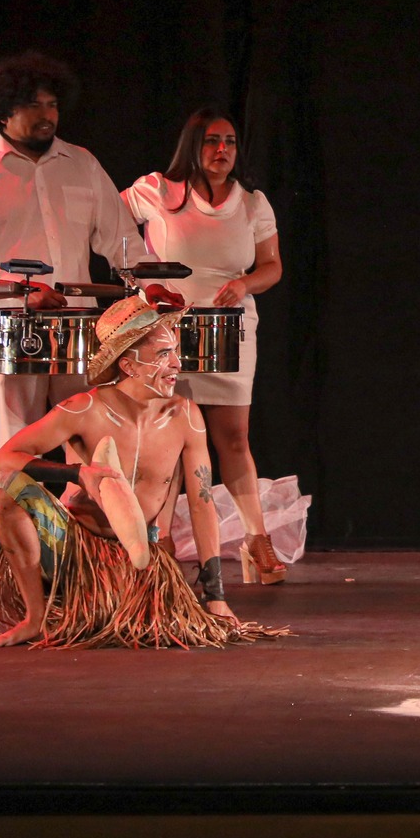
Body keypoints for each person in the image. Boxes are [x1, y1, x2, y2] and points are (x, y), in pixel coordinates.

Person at [0, 293, 287, 649]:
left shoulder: (185, 416)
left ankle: (118, 603)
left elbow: (202, 504)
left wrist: (215, 596)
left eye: (175, 352)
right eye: (163, 354)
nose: (177, 364)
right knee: (1, 486)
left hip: (141, 558)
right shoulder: (84, 409)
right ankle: (35, 618)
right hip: (75, 550)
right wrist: (78, 474)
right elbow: (3, 458)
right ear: (128, 365)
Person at [0, 52, 136, 451]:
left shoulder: (82, 164)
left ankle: (85, 498)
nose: (47, 115)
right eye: (33, 105)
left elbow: (122, 239)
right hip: (6, 326)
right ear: (2, 113)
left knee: (92, 446)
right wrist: (22, 290)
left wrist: (150, 283)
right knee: (17, 449)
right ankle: (18, 497)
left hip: (77, 326)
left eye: (53, 104)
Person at [125, 109, 288, 584]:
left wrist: (245, 284)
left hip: (229, 328)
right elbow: (107, 225)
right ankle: (160, 542)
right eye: (212, 141)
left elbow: (272, 266)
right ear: (192, 145)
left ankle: (256, 540)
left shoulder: (252, 203)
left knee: (233, 437)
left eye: (230, 142)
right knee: (169, 439)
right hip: (167, 329)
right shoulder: (157, 190)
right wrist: (141, 278)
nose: (222, 150)